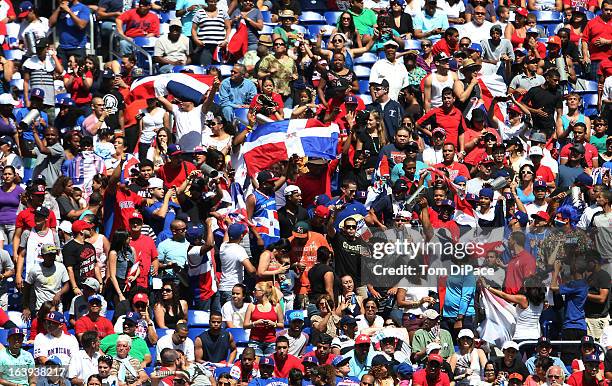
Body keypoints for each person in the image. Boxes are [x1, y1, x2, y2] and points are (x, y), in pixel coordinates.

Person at [244, 281, 284, 356]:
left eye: (255, 290)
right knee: (256, 361)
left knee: (269, 363)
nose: (253, 292)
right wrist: (255, 323)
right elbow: (245, 325)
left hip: (271, 341)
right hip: (255, 341)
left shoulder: (276, 306)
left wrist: (273, 324)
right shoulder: (252, 306)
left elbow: (281, 325)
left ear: (262, 292)